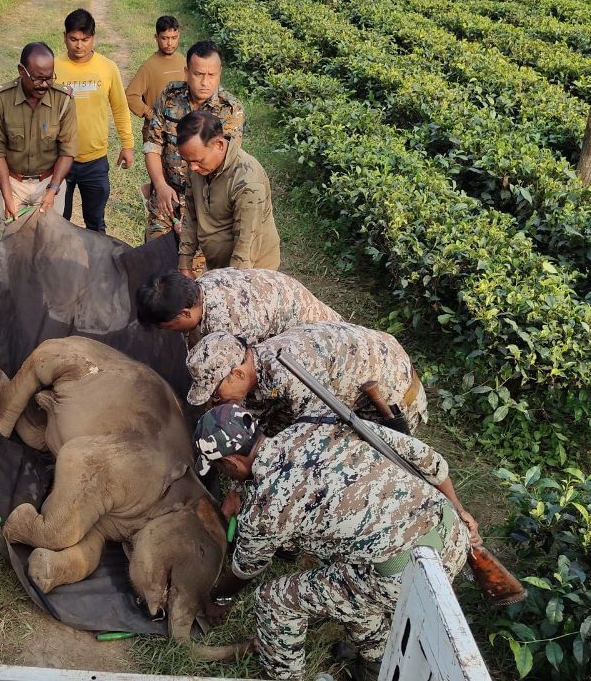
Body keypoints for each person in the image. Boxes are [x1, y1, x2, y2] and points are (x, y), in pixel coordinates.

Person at [193, 405, 480, 681]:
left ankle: (285, 675)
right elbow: (429, 460)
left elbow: (246, 568)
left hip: (407, 574)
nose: (225, 474)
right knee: (341, 574)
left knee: (275, 599)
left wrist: (218, 596)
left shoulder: (266, 505)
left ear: (230, 462)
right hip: (451, 531)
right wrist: (460, 508)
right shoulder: (318, 423)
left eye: (220, 468)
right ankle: (376, 660)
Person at [184, 323, 425, 438]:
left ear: (237, 373)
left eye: (216, 391)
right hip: (368, 366)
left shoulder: (289, 377)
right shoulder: (258, 362)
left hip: (392, 393)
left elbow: (306, 440)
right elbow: (265, 422)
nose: (217, 400)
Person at [141, 40, 245, 243]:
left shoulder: (230, 110)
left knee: (192, 272)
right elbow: (152, 144)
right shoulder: (170, 96)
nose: (205, 82)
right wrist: (160, 185)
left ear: (220, 72)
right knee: (154, 262)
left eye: (212, 75)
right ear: (187, 71)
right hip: (166, 198)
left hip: (204, 207)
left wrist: (193, 220)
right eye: (198, 74)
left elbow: (224, 168)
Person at [53, 9, 134, 233]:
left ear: (93, 38)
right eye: (74, 39)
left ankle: (97, 267)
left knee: (96, 224)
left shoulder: (107, 68)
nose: (79, 45)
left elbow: (120, 108)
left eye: (85, 40)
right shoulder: (53, 68)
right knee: (59, 222)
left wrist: (127, 145)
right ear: (64, 37)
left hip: (95, 161)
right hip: (60, 159)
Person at [175, 110, 279, 274]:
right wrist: (184, 264)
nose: (192, 167)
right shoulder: (197, 168)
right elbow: (190, 214)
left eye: (198, 161)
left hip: (252, 272)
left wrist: (228, 285)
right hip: (218, 266)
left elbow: (245, 247)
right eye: (188, 161)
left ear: (219, 145)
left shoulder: (247, 182)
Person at [0, 42, 78, 221]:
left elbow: (68, 150)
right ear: (22, 71)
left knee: (49, 242)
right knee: (15, 242)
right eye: (37, 78)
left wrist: (53, 189)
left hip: (49, 182)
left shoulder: (63, 100)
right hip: (13, 185)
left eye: (49, 78)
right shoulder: (0, 100)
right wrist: (7, 196)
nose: (44, 85)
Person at [136, 268, 343, 347]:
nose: (171, 332)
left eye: (169, 327)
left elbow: (247, 377)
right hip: (292, 308)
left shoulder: (228, 327)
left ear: (184, 313)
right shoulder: (204, 283)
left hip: (322, 337)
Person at [126, 15, 185, 119]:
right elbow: (130, 96)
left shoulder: (183, 61)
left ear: (178, 36)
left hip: (181, 128)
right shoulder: (149, 67)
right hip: (156, 131)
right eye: (164, 38)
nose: (170, 43)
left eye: (174, 38)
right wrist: (149, 114)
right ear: (156, 38)